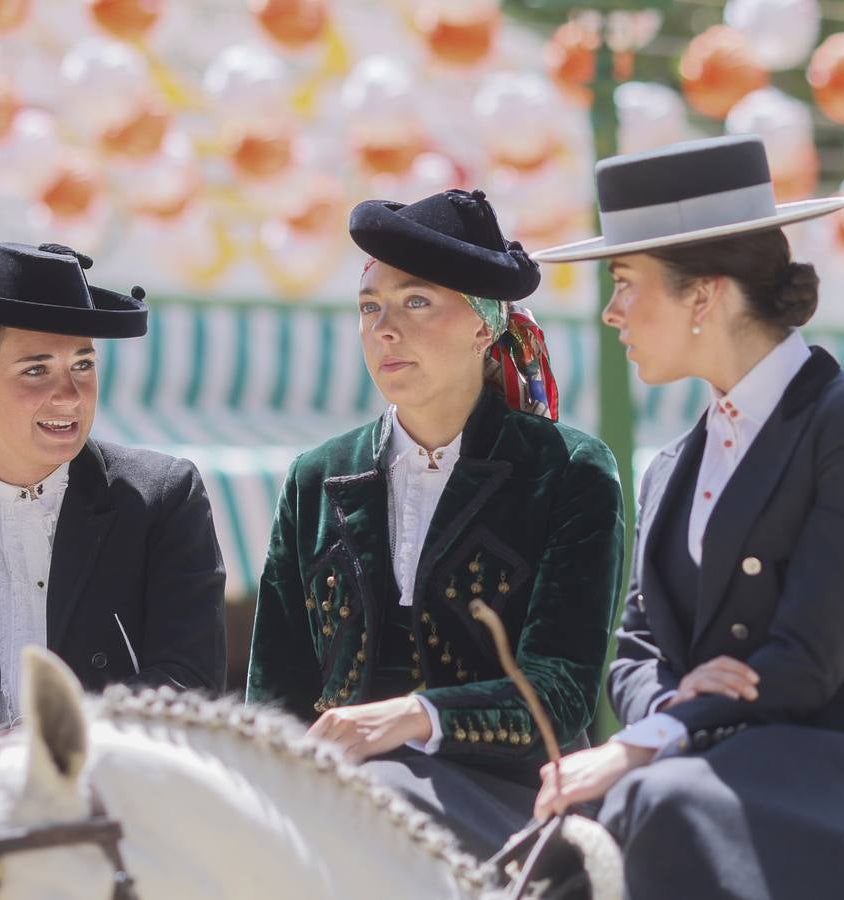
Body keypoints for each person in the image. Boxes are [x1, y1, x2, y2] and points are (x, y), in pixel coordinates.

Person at [528, 135, 844, 899]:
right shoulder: (668, 467)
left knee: (652, 795)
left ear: (704, 294)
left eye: (626, 282)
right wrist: (671, 704)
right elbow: (632, 647)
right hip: (707, 765)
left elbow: (809, 656)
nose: (610, 311)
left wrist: (653, 737)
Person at [246, 189, 624, 855]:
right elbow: (273, 695)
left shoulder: (567, 471)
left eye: (415, 302)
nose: (383, 328)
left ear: (485, 323)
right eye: (370, 308)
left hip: (513, 803)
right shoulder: (316, 475)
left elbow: (560, 694)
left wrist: (409, 719)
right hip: (331, 808)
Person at [0, 242, 227, 724]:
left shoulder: (162, 497)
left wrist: (42, 748)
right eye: (36, 370)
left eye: (82, 364)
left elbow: (192, 679)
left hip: (116, 793)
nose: (69, 395)